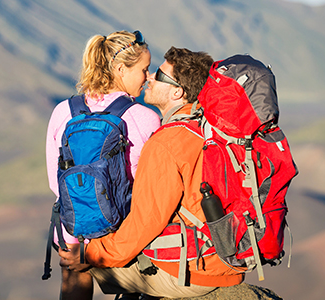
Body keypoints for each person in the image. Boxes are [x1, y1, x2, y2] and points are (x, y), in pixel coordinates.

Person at [59, 47, 245, 298]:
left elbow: (144, 223)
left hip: (195, 272)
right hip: (224, 259)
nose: (149, 78)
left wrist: (90, 254)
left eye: (158, 75)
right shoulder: (207, 129)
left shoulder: (166, 144)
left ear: (177, 91)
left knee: (79, 262)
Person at [45, 30, 160, 299]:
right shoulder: (145, 118)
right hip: (122, 236)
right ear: (121, 69)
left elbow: (56, 181)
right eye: (144, 69)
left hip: (74, 233)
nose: (147, 78)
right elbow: (150, 188)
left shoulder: (64, 111)